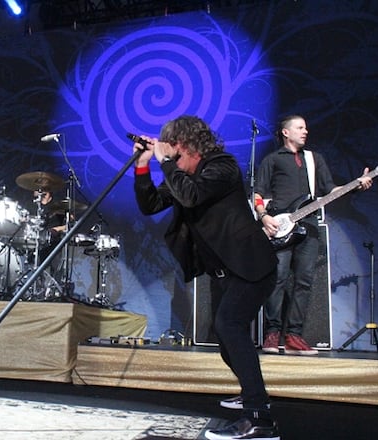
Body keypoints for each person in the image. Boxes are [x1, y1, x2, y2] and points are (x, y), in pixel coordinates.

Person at [133, 115, 280, 440]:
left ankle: (259, 420)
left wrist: (166, 162)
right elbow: (151, 204)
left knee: (230, 326)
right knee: (226, 337)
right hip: (225, 269)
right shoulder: (184, 175)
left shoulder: (221, 166)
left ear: (185, 145)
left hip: (251, 264)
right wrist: (143, 165)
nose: (170, 159)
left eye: (173, 152)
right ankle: (251, 390)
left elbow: (191, 196)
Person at [254, 114, 373, 356]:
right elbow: (258, 192)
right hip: (280, 226)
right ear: (285, 132)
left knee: (304, 282)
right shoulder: (272, 160)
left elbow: (330, 191)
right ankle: (272, 333)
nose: (305, 131)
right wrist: (264, 216)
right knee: (278, 278)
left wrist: (356, 185)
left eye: (306, 128)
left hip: (308, 226)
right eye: (299, 127)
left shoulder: (314, 159)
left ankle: (294, 336)